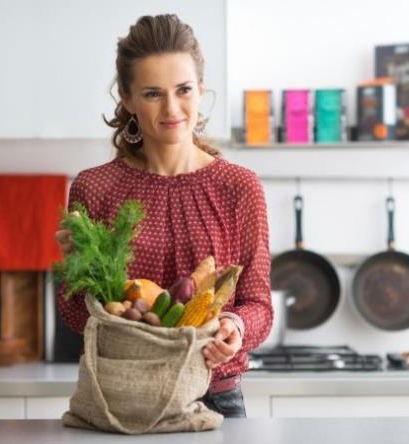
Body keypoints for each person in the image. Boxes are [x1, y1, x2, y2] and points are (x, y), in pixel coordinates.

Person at [56, 14, 272, 418]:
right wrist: (76, 269)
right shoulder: (94, 188)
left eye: (184, 90)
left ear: (201, 90)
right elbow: (73, 316)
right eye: (153, 93)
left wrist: (234, 327)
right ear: (127, 98)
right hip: (125, 396)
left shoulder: (239, 187)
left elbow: (259, 304)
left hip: (215, 397)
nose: (172, 109)